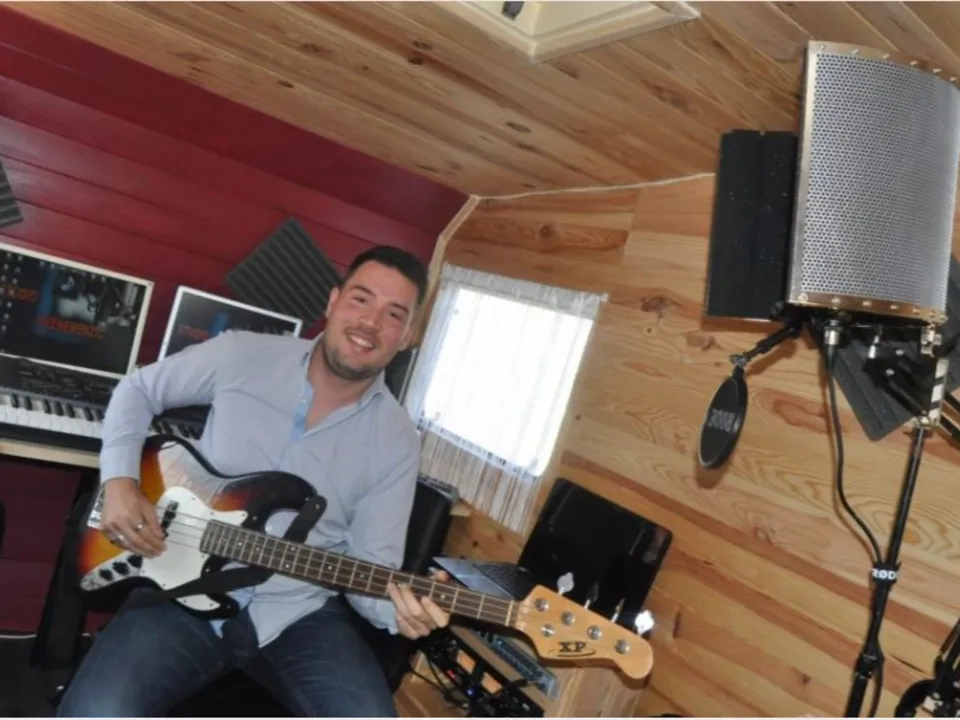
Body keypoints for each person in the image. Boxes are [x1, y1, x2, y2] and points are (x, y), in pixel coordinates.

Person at [58, 246, 450, 717]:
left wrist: (400, 612)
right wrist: (120, 480)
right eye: (361, 299)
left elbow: (371, 565)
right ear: (332, 302)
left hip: (297, 614)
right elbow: (138, 390)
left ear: (408, 335)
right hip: (178, 588)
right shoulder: (243, 354)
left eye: (394, 314)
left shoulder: (398, 440)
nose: (371, 322)